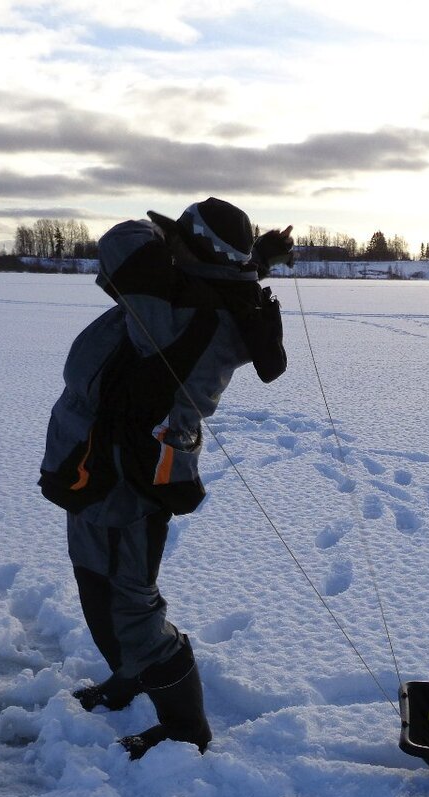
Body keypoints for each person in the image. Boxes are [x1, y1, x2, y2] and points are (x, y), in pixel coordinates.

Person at [39, 198, 294, 759]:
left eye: (179, 239)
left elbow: (122, 244)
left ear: (194, 252)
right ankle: (131, 676)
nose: (167, 244)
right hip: (97, 464)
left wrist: (195, 245)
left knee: (129, 604)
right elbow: (213, 280)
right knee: (94, 581)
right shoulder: (203, 294)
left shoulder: (178, 308)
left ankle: (185, 732)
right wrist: (249, 262)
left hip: (124, 476)